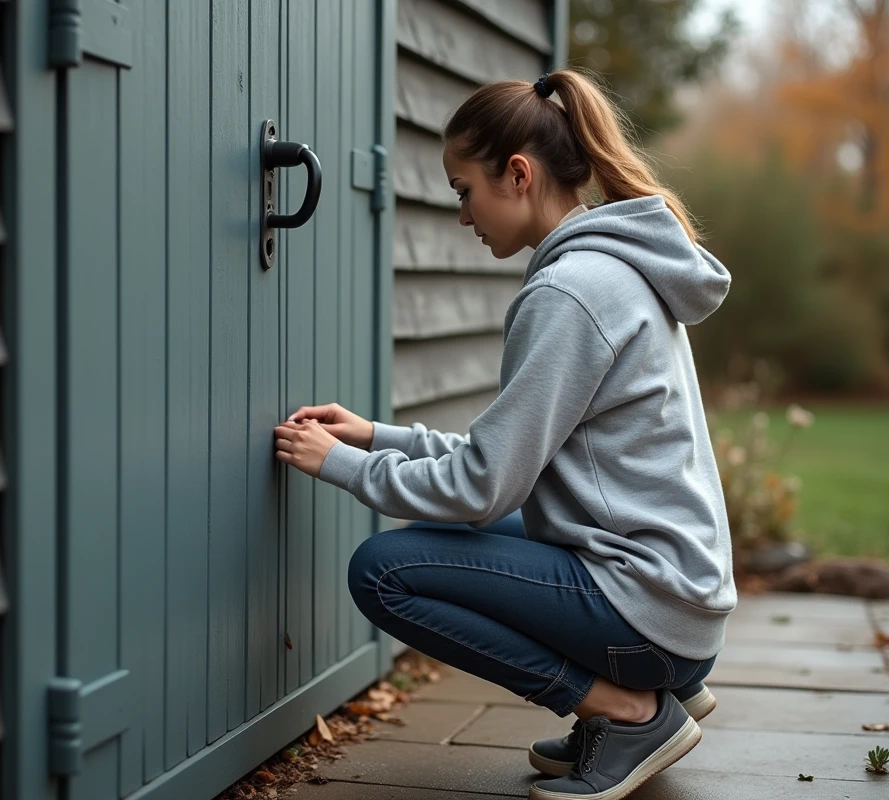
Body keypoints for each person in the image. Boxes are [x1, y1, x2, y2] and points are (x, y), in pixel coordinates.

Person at [273, 67, 736, 800]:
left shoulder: (569, 292)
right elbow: (501, 461)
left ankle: (623, 710)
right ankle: (635, 701)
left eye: (465, 190)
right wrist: (374, 438)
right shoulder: (617, 271)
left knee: (383, 572)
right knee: (520, 527)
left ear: (517, 175)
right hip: (678, 603)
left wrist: (341, 467)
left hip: (648, 618)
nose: (463, 215)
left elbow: (483, 488)